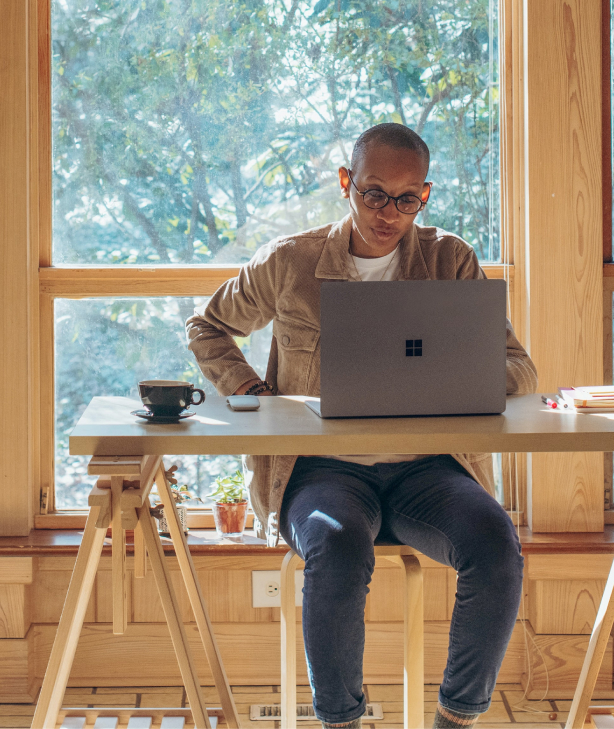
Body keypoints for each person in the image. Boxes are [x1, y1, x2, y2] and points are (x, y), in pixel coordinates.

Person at [186, 123, 537, 729]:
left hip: (428, 468)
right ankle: (341, 721)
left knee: (496, 544)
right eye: (375, 193)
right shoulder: (289, 261)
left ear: (425, 195)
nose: (389, 213)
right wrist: (252, 389)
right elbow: (206, 326)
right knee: (338, 545)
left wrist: (457, 381)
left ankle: (456, 718)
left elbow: (519, 368)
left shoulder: (449, 259)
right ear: (347, 182)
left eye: (407, 199)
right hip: (320, 471)